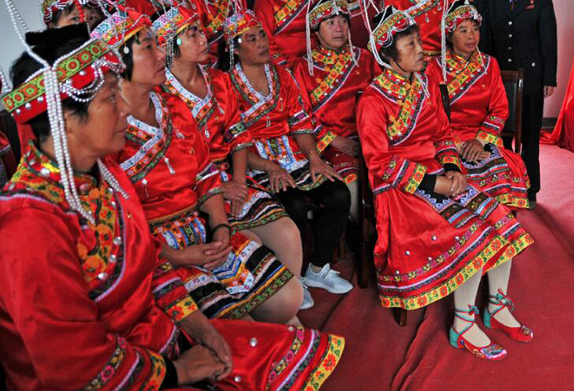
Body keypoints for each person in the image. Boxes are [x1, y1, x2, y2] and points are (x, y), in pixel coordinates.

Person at [0, 22, 343, 390]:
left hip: (160, 333)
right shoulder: (29, 224)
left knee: (291, 348)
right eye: (109, 99)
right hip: (123, 370)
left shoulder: (106, 176)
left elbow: (152, 267)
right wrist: (178, 371)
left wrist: (202, 330)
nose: (122, 110)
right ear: (65, 120)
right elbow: (75, 368)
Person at [356, 6, 534, 361]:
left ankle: (496, 306)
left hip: (438, 172)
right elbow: (380, 164)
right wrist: (433, 184)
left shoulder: (423, 84)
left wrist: (452, 167)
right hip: (402, 190)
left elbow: (441, 134)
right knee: (472, 232)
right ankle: (463, 325)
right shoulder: (373, 101)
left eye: (419, 41)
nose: (421, 49)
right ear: (389, 55)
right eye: (410, 45)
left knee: (501, 219)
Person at [115, 5, 304, 323]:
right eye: (150, 47)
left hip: (210, 195)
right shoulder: (112, 125)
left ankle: (277, 307)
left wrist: (223, 217)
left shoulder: (175, 103)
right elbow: (120, 221)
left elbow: (217, 157)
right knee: (240, 319)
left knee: (287, 256)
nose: (160, 55)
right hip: (161, 235)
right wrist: (180, 251)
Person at [222, 9, 355, 295]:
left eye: (261, 36)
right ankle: (290, 278)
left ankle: (317, 269)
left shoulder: (281, 74)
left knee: (338, 193)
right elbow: (235, 140)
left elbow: (300, 122)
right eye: (251, 38)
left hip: (294, 155)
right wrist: (269, 166)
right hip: (255, 163)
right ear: (234, 47)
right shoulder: (226, 85)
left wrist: (314, 158)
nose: (261, 42)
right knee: (291, 205)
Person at [425, 0, 530, 209]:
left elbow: (500, 109)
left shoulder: (489, 64)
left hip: (483, 139)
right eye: (463, 30)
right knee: (455, 177)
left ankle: (500, 230)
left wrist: (480, 141)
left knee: (500, 170)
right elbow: (430, 113)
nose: (471, 36)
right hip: (447, 141)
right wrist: (459, 145)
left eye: (474, 29)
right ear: (449, 34)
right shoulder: (434, 68)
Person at [294, 0, 381, 222]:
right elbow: (301, 116)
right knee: (354, 192)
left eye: (343, 21)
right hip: (329, 147)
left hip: (372, 141)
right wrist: (335, 140)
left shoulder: (365, 58)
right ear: (316, 30)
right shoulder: (303, 67)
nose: (338, 28)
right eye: (330, 23)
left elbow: (384, 100)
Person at [481, 0, 557, 206]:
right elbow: (486, 39)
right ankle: (502, 186)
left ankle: (530, 189)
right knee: (500, 134)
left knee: (531, 135)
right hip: (498, 77)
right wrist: (482, 74)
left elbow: (549, 41)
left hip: (532, 78)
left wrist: (549, 78)